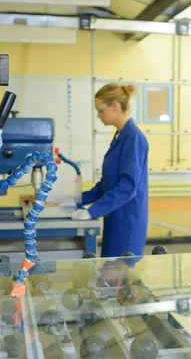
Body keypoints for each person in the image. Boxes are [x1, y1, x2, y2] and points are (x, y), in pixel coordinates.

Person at [69, 83, 149, 258]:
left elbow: (128, 187)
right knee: (109, 276)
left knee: (119, 278)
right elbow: (107, 184)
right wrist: (77, 201)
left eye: (100, 109)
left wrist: (91, 211)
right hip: (114, 219)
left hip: (127, 224)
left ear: (115, 106)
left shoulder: (133, 138)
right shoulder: (120, 137)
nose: (98, 115)